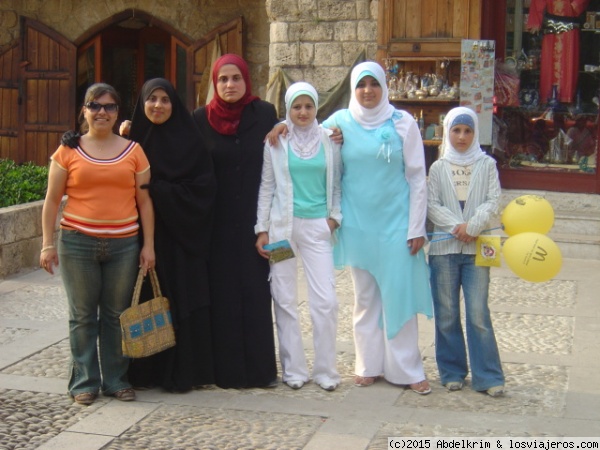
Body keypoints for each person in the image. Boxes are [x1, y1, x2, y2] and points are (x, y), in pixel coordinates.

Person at [321, 61, 433, 393]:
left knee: (399, 294)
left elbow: (417, 177)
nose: (367, 90)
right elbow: (304, 128)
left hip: (397, 224)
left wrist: (417, 227)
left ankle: (407, 369)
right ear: (353, 89)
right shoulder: (339, 122)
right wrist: (282, 127)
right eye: (361, 84)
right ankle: (368, 363)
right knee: (366, 297)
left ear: (384, 87)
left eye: (374, 84)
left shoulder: (403, 123)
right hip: (358, 225)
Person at [40, 83, 155, 405]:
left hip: (123, 245)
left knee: (117, 315)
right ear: (84, 110)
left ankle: (116, 379)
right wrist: (47, 244)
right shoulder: (68, 151)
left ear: (118, 112)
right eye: (95, 105)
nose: (102, 112)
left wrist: (149, 246)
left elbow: (145, 202)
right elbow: (51, 202)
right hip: (77, 244)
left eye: (109, 106)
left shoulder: (134, 151)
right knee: (82, 316)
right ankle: (84, 382)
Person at [121, 78, 217, 392]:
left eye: (165, 99)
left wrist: (162, 191)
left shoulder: (191, 140)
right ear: (142, 104)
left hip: (181, 240)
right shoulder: (130, 141)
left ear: (174, 104)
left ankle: (184, 372)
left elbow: (204, 189)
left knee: (180, 301)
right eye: (152, 99)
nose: (158, 105)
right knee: (146, 302)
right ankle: (146, 372)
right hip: (142, 239)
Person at [192, 54, 278, 389]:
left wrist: (331, 134)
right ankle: (224, 371)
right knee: (223, 295)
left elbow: (299, 135)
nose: (230, 85)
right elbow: (176, 151)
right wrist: (131, 130)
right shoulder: (200, 119)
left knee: (257, 294)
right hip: (216, 225)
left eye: (236, 78)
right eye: (223, 79)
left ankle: (259, 371)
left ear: (246, 80)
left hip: (257, 225)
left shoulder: (265, 113)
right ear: (215, 83)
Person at [255, 82, 342, 391]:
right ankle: (294, 370)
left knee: (326, 301)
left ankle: (325, 371)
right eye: (296, 107)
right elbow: (267, 187)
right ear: (288, 110)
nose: (303, 112)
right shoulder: (276, 142)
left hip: (318, 228)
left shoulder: (330, 139)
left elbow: (336, 182)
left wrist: (334, 218)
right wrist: (262, 229)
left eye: (308, 106)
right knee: (284, 298)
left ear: (316, 108)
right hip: (281, 231)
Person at [426, 106, 505, 397]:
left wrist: (472, 226)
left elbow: (494, 200)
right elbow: (431, 204)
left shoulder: (486, 165)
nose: (461, 136)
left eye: (467, 130)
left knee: (478, 313)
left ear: (476, 133)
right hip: (443, 250)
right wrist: (457, 226)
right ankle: (452, 370)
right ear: (448, 132)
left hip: (477, 249)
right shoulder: (438, 167)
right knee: (446, 313)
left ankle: (488, 376)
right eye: (456, 130)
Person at [526, 0, 590, 104]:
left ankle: (566, 97)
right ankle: (547, 98)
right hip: (551, 27)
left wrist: (575, 5)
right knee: (549, 62)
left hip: (570, 26)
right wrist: (535, 20)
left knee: (568, 61)